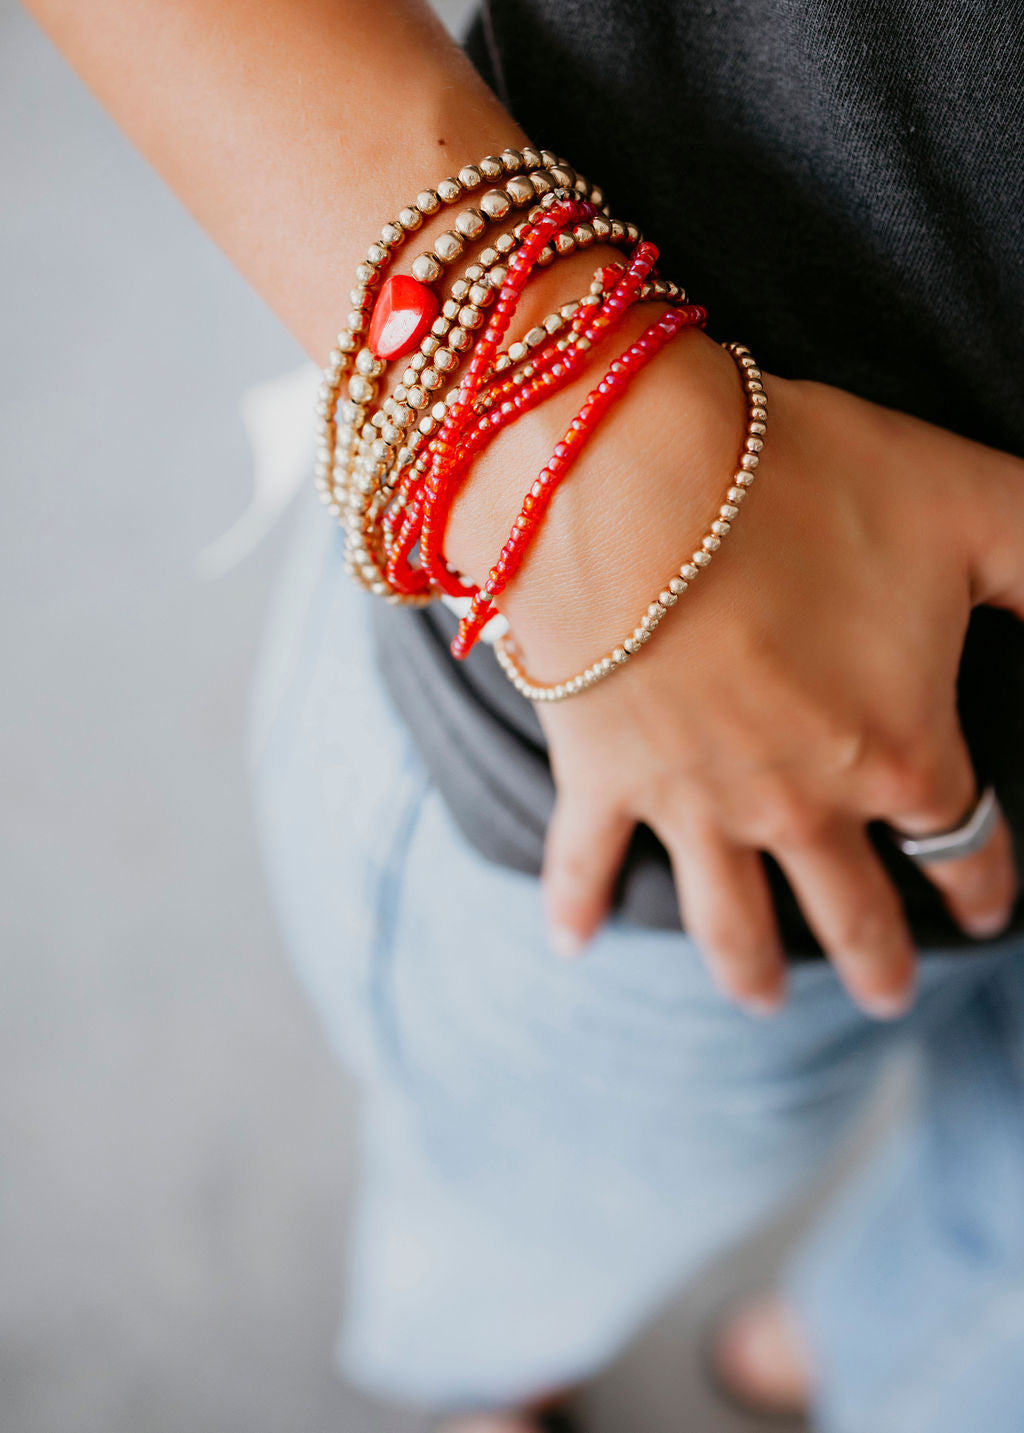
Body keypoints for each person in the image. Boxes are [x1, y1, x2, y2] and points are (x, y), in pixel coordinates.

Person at [25, 0, 1024, 1428]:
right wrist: (584, 465)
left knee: (990, 1292)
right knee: (532, 1233)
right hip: (684, 734)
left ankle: (847, 1345)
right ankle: (497, 1365)